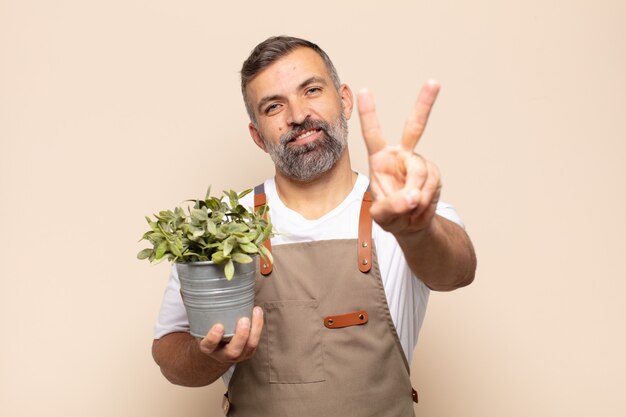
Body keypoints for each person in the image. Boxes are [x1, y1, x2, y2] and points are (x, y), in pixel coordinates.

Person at [152, 36, 476, 416]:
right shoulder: (222, 225)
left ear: (345, 100)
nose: (298, 114)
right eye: (274, 106)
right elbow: (169, 352)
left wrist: (417, 230)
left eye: (311, 90)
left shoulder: (403, 206)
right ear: (258, 136)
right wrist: (207, 356)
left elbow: (458, 271)